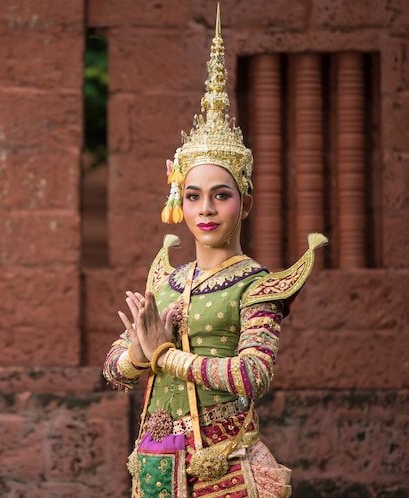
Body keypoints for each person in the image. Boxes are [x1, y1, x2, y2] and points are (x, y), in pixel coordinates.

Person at [103, 5, 327, 498]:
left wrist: (165, 356)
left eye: (220, 195)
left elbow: (252, 374)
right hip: (156, 465)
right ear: (178, 202)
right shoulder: (167, 279)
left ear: (244, 204)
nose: (205, 209)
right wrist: (139, 353)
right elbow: (114, 367)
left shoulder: (258, 286)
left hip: (224, 469)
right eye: (192, 195)